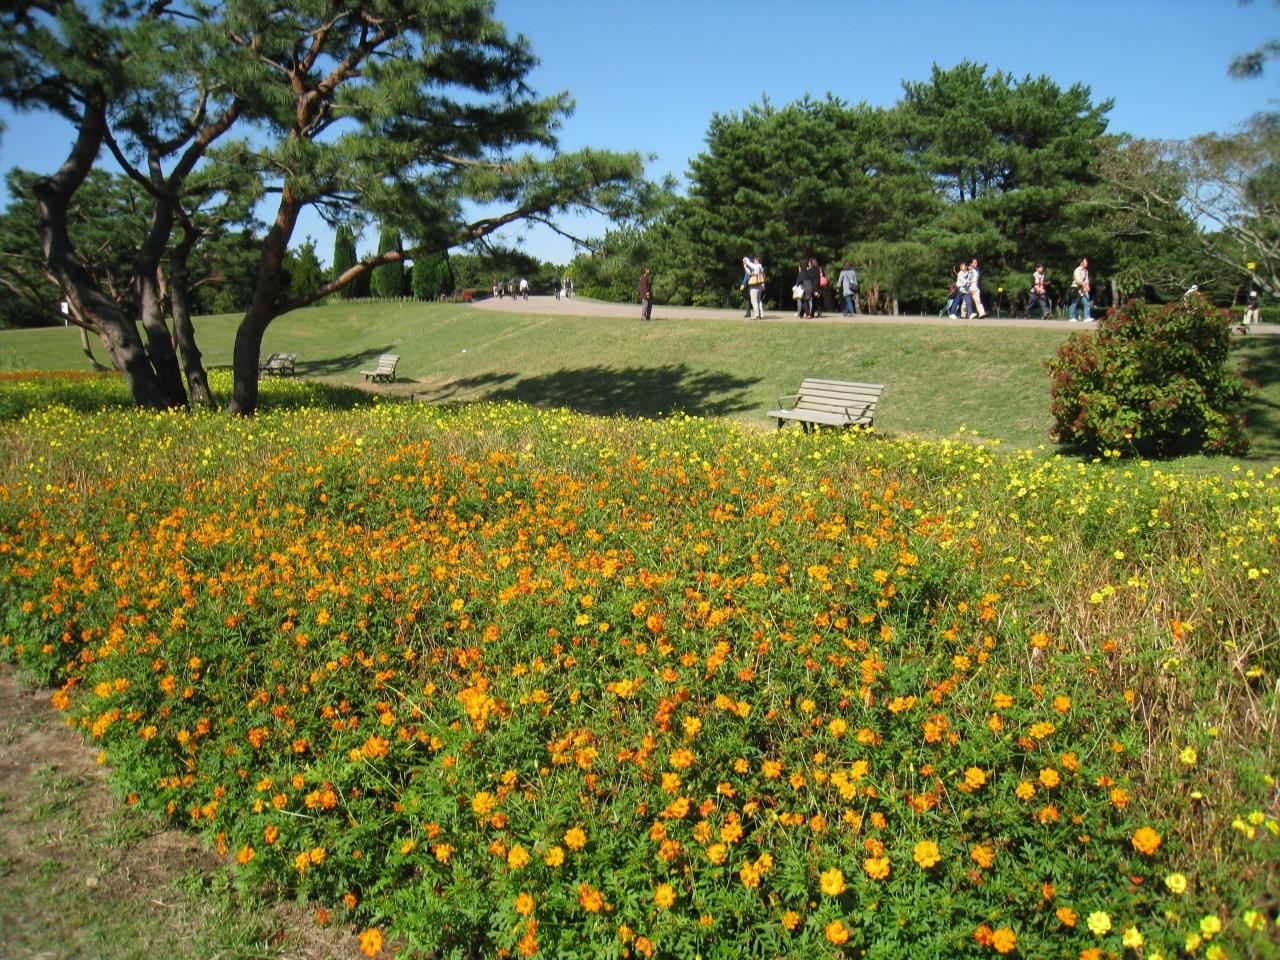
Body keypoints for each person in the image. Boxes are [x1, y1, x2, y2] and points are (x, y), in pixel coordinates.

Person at [743, 254, 766, 319]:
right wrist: (745, 267)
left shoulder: (758, 266)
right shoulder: (760, 268)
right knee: (759, 301)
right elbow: (750, 272)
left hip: (754, 286)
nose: (754, 261)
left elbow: (750, 265)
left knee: (754, 301)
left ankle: (756, 315)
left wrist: (746, 260)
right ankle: (761, 315)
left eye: (755, 260)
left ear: (758, 261)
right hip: (759, 286)